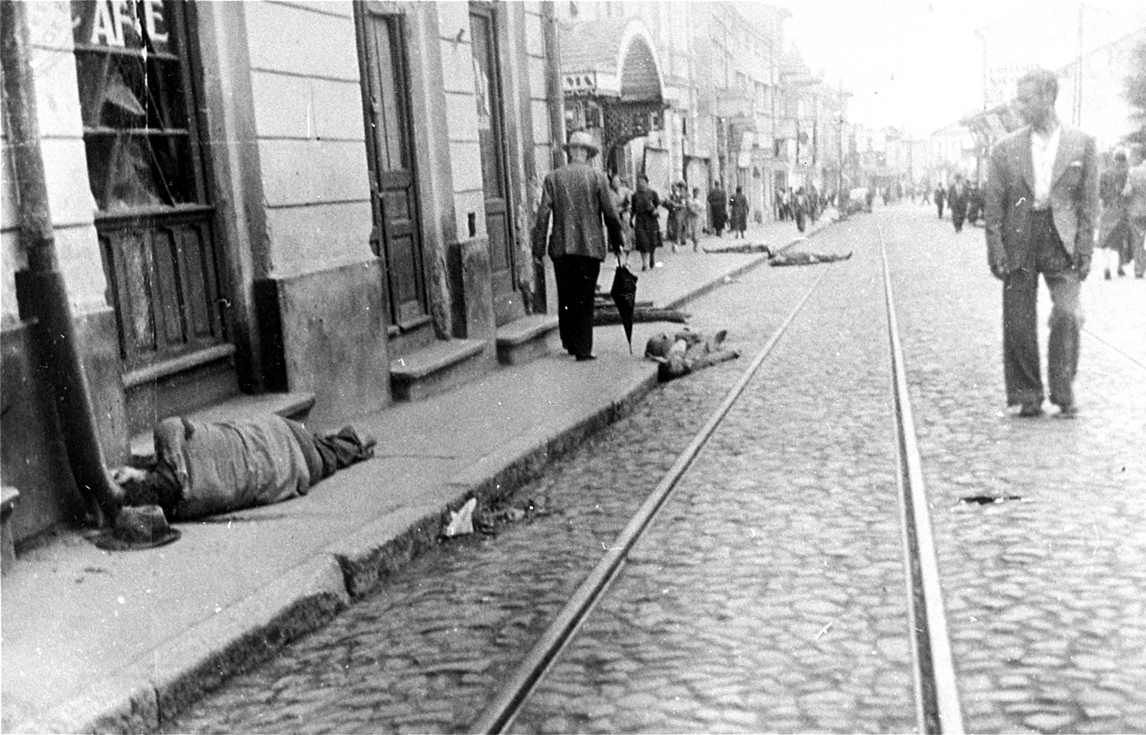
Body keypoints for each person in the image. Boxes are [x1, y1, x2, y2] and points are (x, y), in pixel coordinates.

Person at [985, 68, 1098, 418]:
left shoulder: (1082, 143)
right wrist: (996, 249)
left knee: (1067, 313)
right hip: (1020, 235)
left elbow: (1088, 203)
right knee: (1018, 318)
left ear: (1048, 98)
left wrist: (1084, 249)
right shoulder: (1005, 150)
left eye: (1026, 98)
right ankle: (1027, 394)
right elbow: (994, 207)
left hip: (1060, 238)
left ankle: (1063, 390)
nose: (1019, 105)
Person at [531, 130, 624, 361]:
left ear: (572, 152)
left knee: (566, 295)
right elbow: (611, 214)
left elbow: (543, 215)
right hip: (589, 248)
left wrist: (538, 248)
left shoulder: (553, 177)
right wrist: (618, 242)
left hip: (561, 247)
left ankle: (570, 342)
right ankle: (583, 348)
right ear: (587, 153)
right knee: (584, 296)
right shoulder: (597, 177)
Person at [1097, 149, 1131, 279]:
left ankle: (1106, 268)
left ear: (1114, 159)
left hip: (1107, 209)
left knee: (1106, 240)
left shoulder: (1105, 173)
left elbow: (1100, 193)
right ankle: (1119, 267)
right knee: (1121, 239)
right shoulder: (1126, 173)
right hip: (1121, 209)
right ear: (1124, 160)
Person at [1120, 144, 1146, 279]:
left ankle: (1139, 270)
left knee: (1139, 240)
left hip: (1137, 211)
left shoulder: (1133, 172)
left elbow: (1127, 191)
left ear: (1139, 156)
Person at [631, 174, 662, 271]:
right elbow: (633, 209)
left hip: (651, 219)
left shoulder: (652, 193)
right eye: (639, 182)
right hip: (640, 219)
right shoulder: (635, 195)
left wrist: (656, 211)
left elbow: (658, 205)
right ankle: (644, 263)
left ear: (647, 183)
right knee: (642, 241)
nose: (641, 184)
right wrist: (630, 219)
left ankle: (651, 256)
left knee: (652, 241)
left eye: (643, 182)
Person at [609, 173, 633, 265]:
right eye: (613, 181)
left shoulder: (625, 191)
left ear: (620, 182)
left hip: (624, 215)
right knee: (615, 236)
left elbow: (629, 204)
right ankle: (617, 257)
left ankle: (627, 259)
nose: (615, 183)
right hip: (614, 216)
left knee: (626, 236)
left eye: (617, 181)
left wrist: (625, 208)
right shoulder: (609, 192)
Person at [685, 186, 704, 251]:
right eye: (694, 192)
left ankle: (696, 245)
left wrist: (697, 210)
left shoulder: (699, 200)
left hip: (698, 217)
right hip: (692, 217)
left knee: (697, 230)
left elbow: (702, 207)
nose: (695, 194)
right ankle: (694, 243)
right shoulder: (691, 200)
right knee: (692, 230)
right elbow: (689, 207)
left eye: (697, 192)